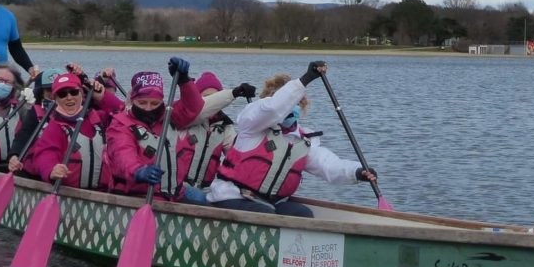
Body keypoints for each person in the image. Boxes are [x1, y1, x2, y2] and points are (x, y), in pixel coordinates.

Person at [208, 60, 378, 217]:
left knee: (303, 215)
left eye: (296, 103)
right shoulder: (252, 123)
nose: (290, 108)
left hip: (272, 203)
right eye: (288, 102)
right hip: (232, 196)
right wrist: (305, 80)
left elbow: (328, 165)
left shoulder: (302, 141)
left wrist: (357, 171)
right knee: (264, 212)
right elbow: (273, 108)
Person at [104, 58, 206, 202]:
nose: (148, 108)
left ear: (162, 102)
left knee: (208, 200)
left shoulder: (169, 116)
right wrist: (138, 171)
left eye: (154, 103)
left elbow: (193, 107)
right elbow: (122, 153)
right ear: (132, 101)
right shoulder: (119, 125)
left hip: (174, 192)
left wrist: (184, 81)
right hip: (137, 196)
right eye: (142, 103)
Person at [19, 72, 123, 190]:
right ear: (55, 99)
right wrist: (51, 170)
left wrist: (103, 97)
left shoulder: (100, 119)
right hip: (69, 192)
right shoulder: (55, 127)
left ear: (82, 93)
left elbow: (124, 114)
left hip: (103, 192)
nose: (69, 97)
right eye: (62, 94)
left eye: (74, 92)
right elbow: (45, 153)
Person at [183, 71, 257, 190]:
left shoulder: (225, 127)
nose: (213, 102)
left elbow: (236, 156)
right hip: (179, 186)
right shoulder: (185, 121)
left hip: (206, 188)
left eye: (217, 97)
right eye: (207, 97)